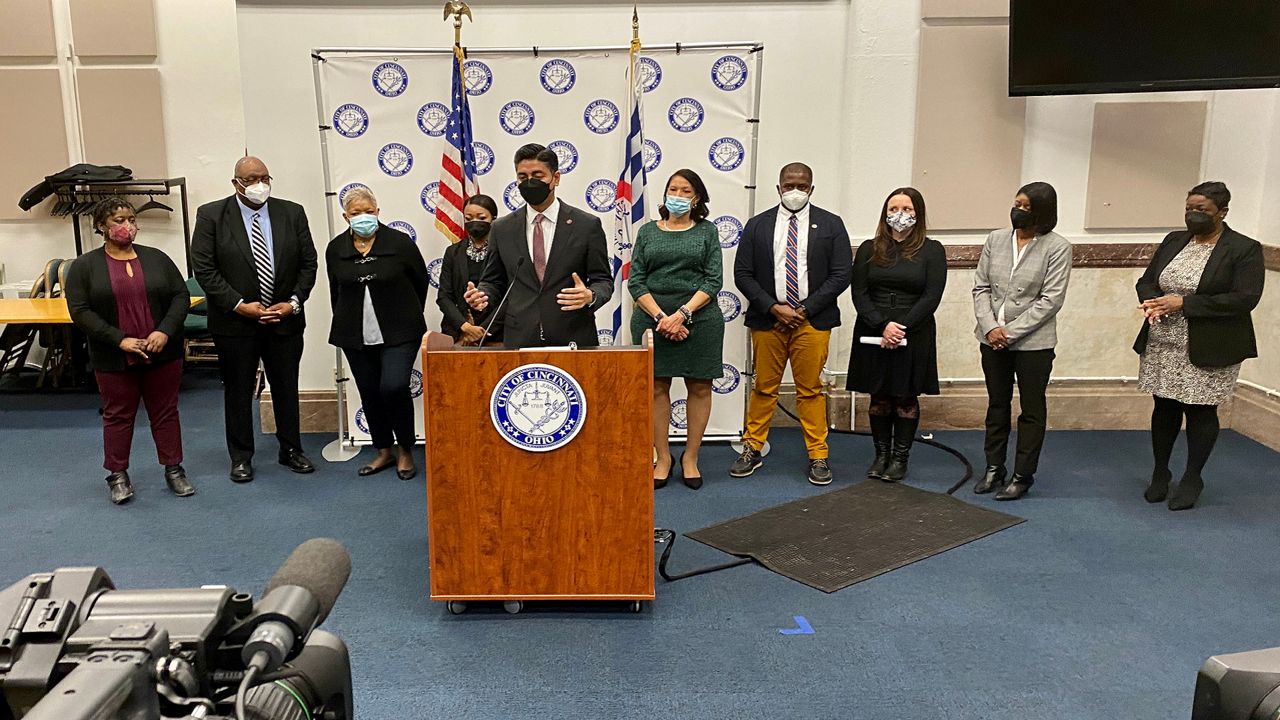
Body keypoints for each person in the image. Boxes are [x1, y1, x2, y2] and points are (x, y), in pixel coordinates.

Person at [1134, 181, 1264, 511]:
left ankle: (1193, 477)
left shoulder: (1243, 248)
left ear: (1222, 212)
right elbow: (1147, 280)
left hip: (1211, 343)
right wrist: (1152, 301)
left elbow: (1244, 298)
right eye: (1189, 208)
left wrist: (1184, 304)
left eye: (1202, 210)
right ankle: (1160, 473)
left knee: (1200, 410)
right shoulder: (1174, 240)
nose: (1193, 215)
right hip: (1164, 339)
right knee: (1164, 407)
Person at [192, 156, 319, 483]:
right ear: (235, 182)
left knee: (286, 386)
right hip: (235, 322)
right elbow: (205, 269)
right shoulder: (212, 215)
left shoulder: (291, 212)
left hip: (284, 320)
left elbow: (309, 264)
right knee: (237, 390)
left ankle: (291, 449)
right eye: (250, 179)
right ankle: (241, 457)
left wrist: (293, 302)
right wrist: (238, 304)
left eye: (264, 177)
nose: (259, 185)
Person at [65, 198, 192, 504]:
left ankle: (174, 469)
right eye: (118, 221)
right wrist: (119, 339)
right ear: (101, 227)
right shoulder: (84, 266)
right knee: (118, 415)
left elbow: (180, 296)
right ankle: (118, 475)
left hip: (162, 350)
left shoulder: (157, 258)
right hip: (114, 354)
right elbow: (80, 311)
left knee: (165, 412)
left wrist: (163, 331)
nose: (127, 226)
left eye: (131, 219)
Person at [731, 162, 852, 486]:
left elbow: (841, 273)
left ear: (811, 188)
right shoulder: (757, 226)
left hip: (812, 322)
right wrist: (773, 307)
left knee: (810, 390)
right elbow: (742, 273)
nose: (795, 191)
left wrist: (804, 309)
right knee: (764, 388)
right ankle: (752, 448)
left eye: (801, 185)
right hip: (768, 321)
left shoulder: (831, 224)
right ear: (778, 187)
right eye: (789, 185)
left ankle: (818, 455)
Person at [971, 181, 1072, 501]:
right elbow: (981, 288)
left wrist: (1009, 332)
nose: (1019, 211)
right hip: (991, 339)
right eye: (1017, 204)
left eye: (1027, 207)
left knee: (1031, 409)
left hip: (1034, 344)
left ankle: (1022, 475)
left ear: (1043, 211)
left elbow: (1050, 300)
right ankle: (993, 468)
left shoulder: (1057, 247)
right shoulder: (996, 239)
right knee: (996, 405)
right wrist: (990, 328)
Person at [628, 169, 724, 489]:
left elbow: (713, 280)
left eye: (686, 191)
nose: (679, 196)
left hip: (700, 318)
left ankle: (691, 457)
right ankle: (664, 457)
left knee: (699, 387)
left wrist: (682, 315)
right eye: (673, 189)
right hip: (652, 318)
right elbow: (637, 280)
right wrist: (662, 319)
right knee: (656, 388)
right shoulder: (647, 233)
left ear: (696, 198)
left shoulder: (707, 231)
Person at [326, 187, 430, 480]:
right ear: (346, 216)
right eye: (356, 213)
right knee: (370, 391)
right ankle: (383, 450)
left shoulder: (400, 243)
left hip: (400, 332)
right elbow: (337, 291)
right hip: (355, 335)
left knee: (394, 387)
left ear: (378, 211)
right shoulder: (336, 249)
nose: (363, 217)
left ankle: (406, 449)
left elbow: (419, 282)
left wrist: (404, 314)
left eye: (368, 211)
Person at [464, 144, 612, 347]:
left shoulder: (586, 225)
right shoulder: (502, 228)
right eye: (523, 177)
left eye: (538, 175)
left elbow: (603, 280)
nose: (529, 182)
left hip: (573, 335)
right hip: (520, 337)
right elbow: (493, 281)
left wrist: (590, 296)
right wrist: (483, 295)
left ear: (556, 178)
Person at [847, 187, 946, 483]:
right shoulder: (868, 248)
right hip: (873, 329)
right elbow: (859, 292)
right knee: (878, 397)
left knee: (904, 397)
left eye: (906, 208)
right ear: (885, 213)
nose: (899, 214)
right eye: (894, 208)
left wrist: (900, 326)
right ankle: (881, 455)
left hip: (914, 331)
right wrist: (882, 325)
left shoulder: (932, 250)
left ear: (918, 213)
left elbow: (932, 296)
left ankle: (900, 458)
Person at [438, 194, 503, 346]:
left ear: (493, 219)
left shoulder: (503, 250)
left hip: (496, 333)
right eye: (469, 218)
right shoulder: (453, 252)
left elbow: (509, 295)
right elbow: (444, 296)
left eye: (481, 218)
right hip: (457, 332)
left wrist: (481, 330)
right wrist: (465, 327)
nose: (475, 222)